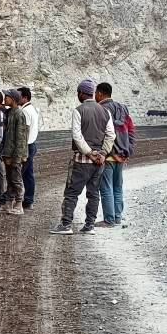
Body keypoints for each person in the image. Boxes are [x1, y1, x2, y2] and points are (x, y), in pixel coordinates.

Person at [54, 80, 113, 235]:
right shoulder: (105, 111)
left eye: (78, 92)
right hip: (99, 163)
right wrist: (102, 154)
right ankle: (89, 226)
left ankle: (66, 225)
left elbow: (77, 136)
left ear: (81, 93)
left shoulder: (78, 110)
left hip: (82, 161)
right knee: (93, 194)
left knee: (72, 193)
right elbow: (110, 135)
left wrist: (89, 153)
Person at [95, 82, 135, 228]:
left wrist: (105, 153)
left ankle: (109, 220)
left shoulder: (101, 110)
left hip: (109, 156)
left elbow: (102, 135)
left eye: (95, 93)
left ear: (99, 93)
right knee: (118, 187)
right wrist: (127, 151)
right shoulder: (123, 108)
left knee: (106, 188)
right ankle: (117, 217)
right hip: (122, 156)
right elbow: (131, 131)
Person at [0, 89, 27, 214]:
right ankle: (8, 203)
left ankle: (19, 204)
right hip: (8, 153)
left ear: (13, 99)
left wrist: (17, 157)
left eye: (6, 97)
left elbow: (20, 138)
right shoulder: (9, 112)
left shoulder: (19, 114)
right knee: (9, 179)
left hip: (15, 154)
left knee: (17, 179)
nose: (4, 99)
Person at [19, 86, 39, 212]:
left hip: (26, 145)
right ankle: (29, 200)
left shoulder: (25, 111)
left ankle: (9, 198)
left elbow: (24, 132)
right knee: (28, 175)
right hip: (32, 144)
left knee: (18, 174)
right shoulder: (32, 109)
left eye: (18, 96)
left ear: (25, 97)